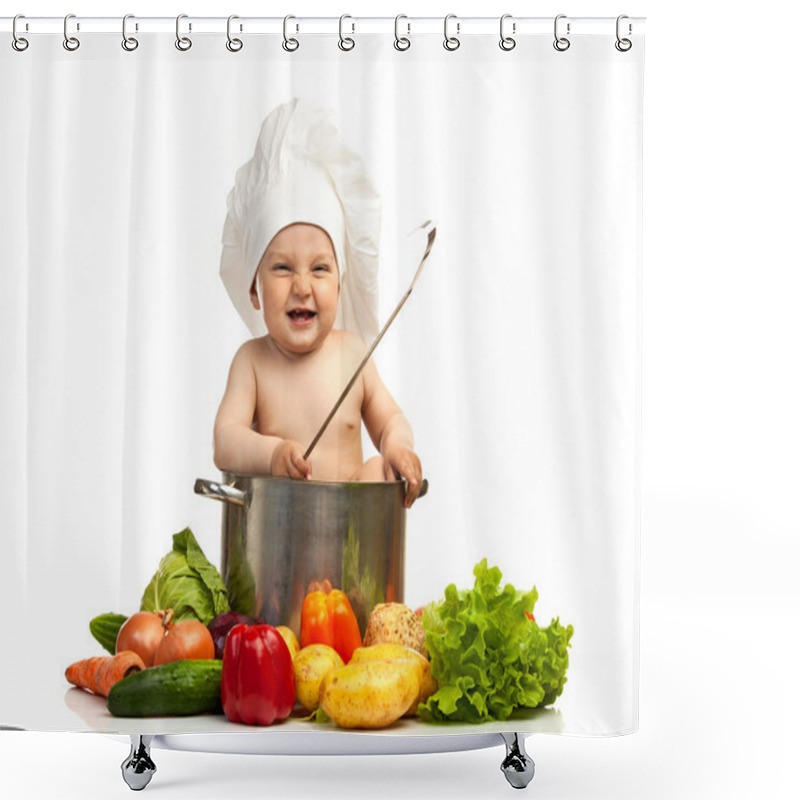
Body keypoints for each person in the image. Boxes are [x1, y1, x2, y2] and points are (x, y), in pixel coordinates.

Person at [213, 99, 423, 507]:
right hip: (280, 537)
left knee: (379, 468)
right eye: (282, 268)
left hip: (353, 541)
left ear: (341, 286)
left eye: (321, 269)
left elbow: (390, 419)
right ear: (254, 290)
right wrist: (271, 455)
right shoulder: (252, 363)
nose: (302, 286)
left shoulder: (353, 355)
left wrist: (399, 448)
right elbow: (225, 439)